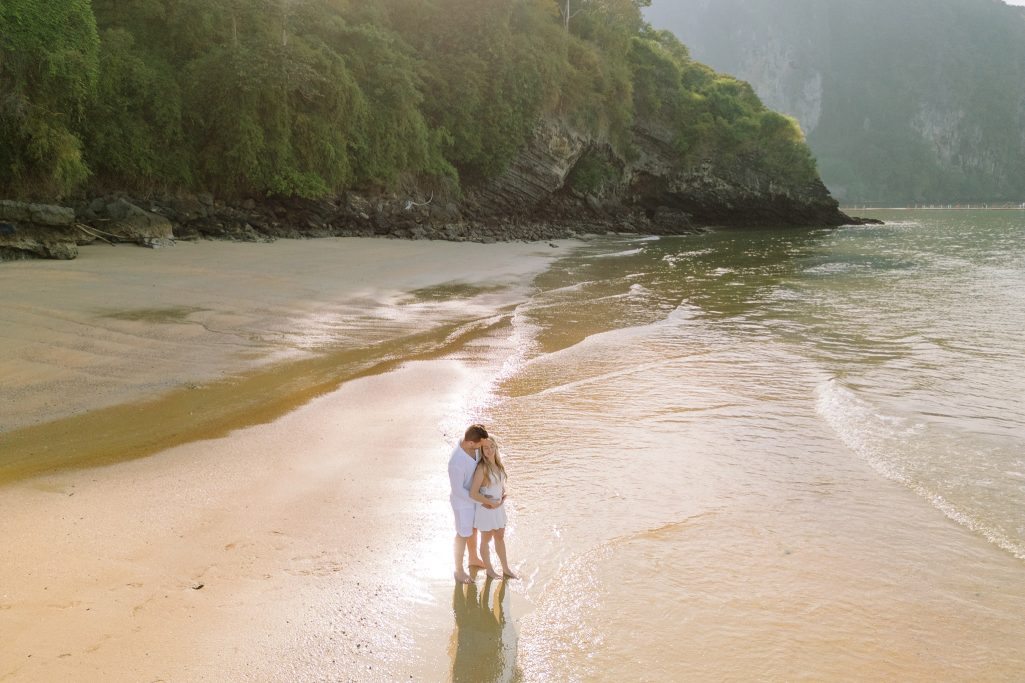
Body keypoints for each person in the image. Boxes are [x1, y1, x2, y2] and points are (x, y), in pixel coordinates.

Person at [449, 424, 499, 584]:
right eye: (481, 445)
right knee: (463, 533)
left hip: (475, 498)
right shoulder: (456, 462)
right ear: (471, 443)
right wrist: (480, 499)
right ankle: (458, 570)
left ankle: (473, 558)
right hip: (463, 503)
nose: (483, 448)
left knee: (474, 529)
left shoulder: (474, 447)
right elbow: (457, 490)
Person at [469, 437, 517, 580]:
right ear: (482, 451)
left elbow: (499, 483)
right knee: (485, 539)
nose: (489, 450)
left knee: (500, 537)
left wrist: (503, 492)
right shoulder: (482, 468)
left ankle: (506, 569)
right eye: (486, 448)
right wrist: (490, 503)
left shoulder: (499, 465)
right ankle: (489, 570)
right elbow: (473, 493)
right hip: (487, 508)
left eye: (492, 447)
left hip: (498, 507)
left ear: (496, 447)